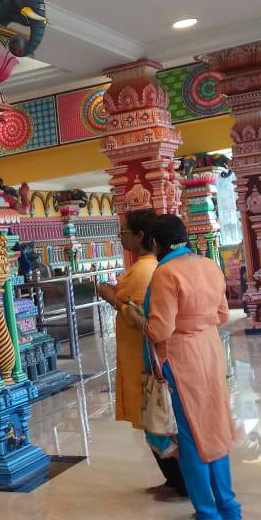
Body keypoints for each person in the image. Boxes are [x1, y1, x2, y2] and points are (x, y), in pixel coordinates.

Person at [122, 215, 241, 520]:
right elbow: (222, 315)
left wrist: (137, 318)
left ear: (155, 242)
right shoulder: (209, 265)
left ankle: (207, 516)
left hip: (181, 361)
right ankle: (228, 507)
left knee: (191, 438)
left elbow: (160, 330)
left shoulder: (167, 273)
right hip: (210, 353)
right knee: (214, 429)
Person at [96, 210, 187, 499]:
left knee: (157, 420)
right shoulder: (153, 267)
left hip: (147, 359)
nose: (121, 236)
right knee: (156, 419)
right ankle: (174, 481)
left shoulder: (146, 270)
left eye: (125, 232)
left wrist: (111, 296)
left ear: (142, 237)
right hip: (146, 356)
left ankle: (180, 482)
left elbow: (135, 312)